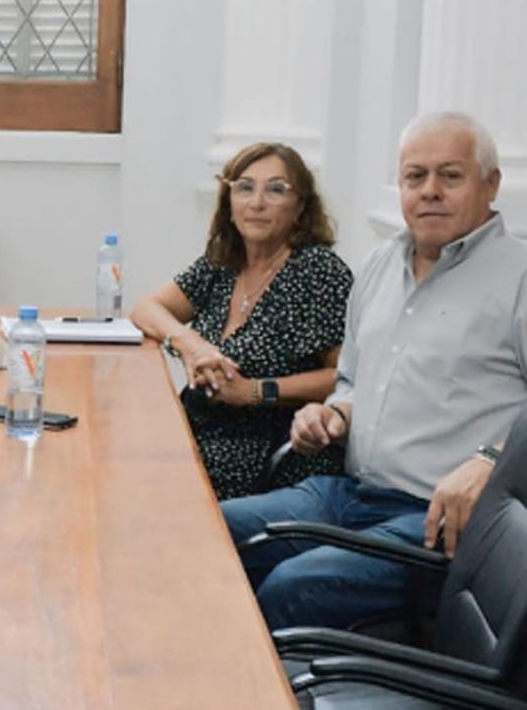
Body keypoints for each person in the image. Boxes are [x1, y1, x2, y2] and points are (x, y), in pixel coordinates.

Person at [223, 112, 527, 630]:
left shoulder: (518, 275)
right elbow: (353, 380)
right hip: (347, 493)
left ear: (490, 184)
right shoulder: (380, 265)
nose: (430, 191)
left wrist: (490, 460)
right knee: (206, 531)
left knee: (291, 588)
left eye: (450, 176)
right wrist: (332, 414)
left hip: (430, 522)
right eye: (415, 177)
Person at [130, 143, 353, 499]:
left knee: (143, 488)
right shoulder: (224, 262)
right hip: (201, 426)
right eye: (244, 187)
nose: (257, 202)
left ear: (301, 207)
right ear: (229, 201)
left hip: (266, 449)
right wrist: (190, 344)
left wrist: (254, 391)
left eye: (276, 189)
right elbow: (146, 308)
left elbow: (343, 378)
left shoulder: (319, 271)